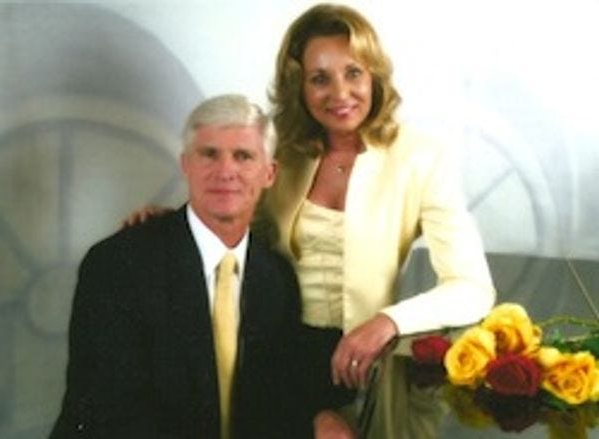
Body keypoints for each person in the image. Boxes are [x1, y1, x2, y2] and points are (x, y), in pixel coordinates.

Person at [125, 4, 496, 437]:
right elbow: (233, 223)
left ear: (374, 75)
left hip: (366, 364)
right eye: (320, 78)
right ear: (298, 86)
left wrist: (386, 322)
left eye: (353, 73)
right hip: (275, 357)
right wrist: (177, 222)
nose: (340, 93)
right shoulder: (280, 151)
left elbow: (472, 288)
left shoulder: (420, 158)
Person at [50, 94, 308, 439]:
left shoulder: (276, 278)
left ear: (269, 173)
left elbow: (278, 403)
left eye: (243, 156)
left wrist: (321, 416)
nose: (225, 171)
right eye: (209, 154)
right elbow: (109, 414)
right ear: (186, 164)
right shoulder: (118, 265)